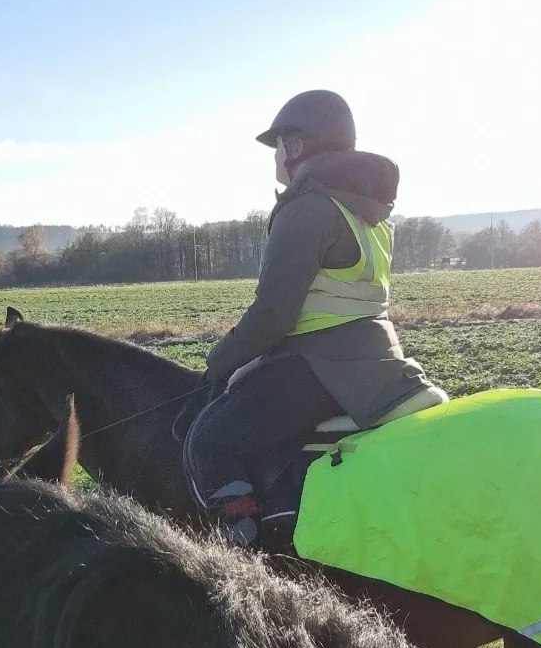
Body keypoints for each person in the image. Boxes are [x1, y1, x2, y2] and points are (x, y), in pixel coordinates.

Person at [184, 90, 447, 545]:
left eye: (278, 147)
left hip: (321, 366)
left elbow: (273, 313)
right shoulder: (370, 213)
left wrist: (221, 358)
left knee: (210, 440)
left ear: (298, 146)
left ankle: (239, 553)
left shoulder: (307, 208)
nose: (275, 160)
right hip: (380, 358)